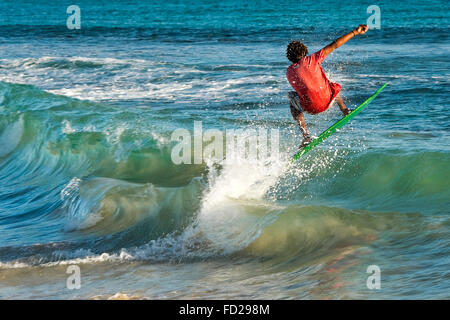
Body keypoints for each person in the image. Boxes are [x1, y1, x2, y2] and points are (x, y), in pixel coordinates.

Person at [286, 24, 369, 147]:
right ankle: (345, 110)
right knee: (329, 83)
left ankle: (306, 136)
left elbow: (303, 90)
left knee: (291, 97)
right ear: (305, 52)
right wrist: (355, 32)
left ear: (290, 58)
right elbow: (335, 44)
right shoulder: (312, 59)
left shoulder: (289, 72)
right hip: (328, 100)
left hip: (310, 108)